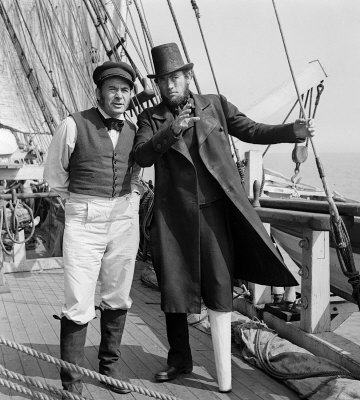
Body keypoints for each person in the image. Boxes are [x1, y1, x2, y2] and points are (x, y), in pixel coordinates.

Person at [133, 43, 315, 393]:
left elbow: (251, 130)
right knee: (174, 290)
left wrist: (292, 131)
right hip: (174, 219)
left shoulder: (214, 105)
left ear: (188, 77)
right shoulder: (150, 119)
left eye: (175, 77)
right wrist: (172, 130)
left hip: (215, 213)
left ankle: (223, 375)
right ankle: (179, 360)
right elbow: (141, 156)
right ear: (157, 84)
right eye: (163, 80)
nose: (170, 85)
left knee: (219, 288)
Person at [44, 61, 142, 396]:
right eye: (112, 89)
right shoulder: (73, 125)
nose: (119, 96)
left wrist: (130, 197)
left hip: (124, 220)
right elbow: (55, 175)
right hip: (84, 220)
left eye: (125, 90)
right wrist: (82, 201)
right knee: (78, 299)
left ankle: (109, 368)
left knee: (118, 294)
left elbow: (137, 172)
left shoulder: (135, 130)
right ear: (99, 92)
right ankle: (72, 381)